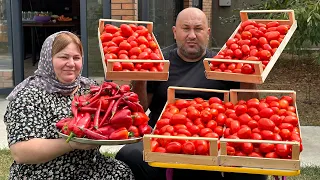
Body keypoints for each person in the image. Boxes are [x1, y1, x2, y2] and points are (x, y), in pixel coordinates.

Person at [115, 7, 268, 180]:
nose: (192, 35)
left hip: (214, 139)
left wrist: (248, 76)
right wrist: (140, 76)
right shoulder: (158, 63)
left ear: (208, 32)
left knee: (254, 168)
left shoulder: (224, 64)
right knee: (128, 156)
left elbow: (250, 109)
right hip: (163, 137)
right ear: (175, 32)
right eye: (186, 28)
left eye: (198, 29)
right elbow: (139, 110)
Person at [3, 31, 134, 180]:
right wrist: (71, 144)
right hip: (43, 172)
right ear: (48, 59)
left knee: (121, 171)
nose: (71, 64)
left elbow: (110, 121)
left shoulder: (90, 88)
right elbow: (21, 153)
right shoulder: (28, 95)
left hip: (88, 168)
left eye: (76, 58)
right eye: (63, 57)